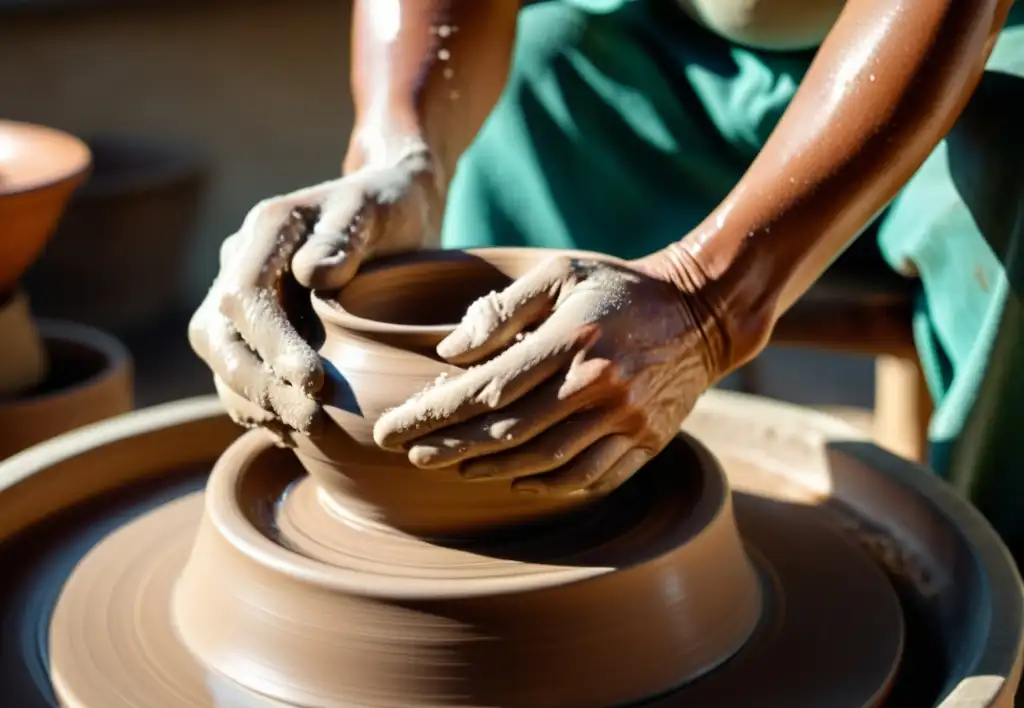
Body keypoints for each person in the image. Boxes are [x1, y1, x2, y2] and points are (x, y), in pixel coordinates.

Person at [189, 0, 1024, 550]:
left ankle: (1003, 609)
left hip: (971, 46)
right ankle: (524, 520)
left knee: (1013, 161)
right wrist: (400, 150)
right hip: (672, 41)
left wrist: (709, 297)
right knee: (528, 84)